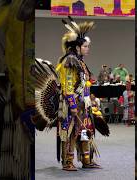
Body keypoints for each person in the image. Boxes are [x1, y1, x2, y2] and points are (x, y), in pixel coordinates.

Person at [55, 17, 101, 171]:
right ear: (77, 47)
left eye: (88, 46)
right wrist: (73, 106)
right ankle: (68, 161)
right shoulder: (69, 61)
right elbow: (68, 87)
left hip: (84, 105)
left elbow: (85, 82)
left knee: (85, 132)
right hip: (71, 105)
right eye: (86, 46)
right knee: (70, 134)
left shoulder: (80, 62)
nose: (88, 49)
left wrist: (90, 100)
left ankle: (86, 160)